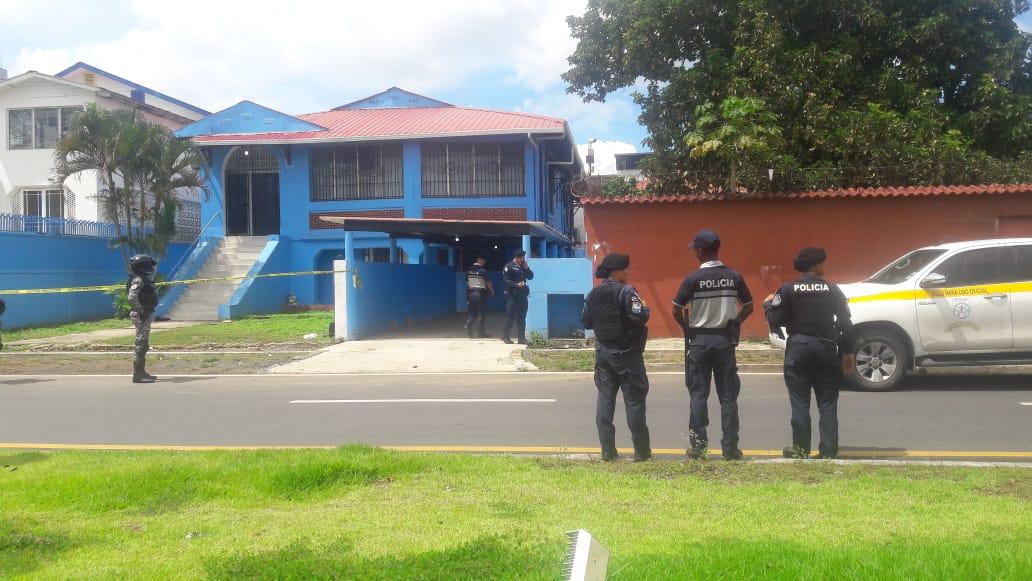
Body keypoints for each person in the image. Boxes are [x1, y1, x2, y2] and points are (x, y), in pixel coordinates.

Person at [764, 247, 855, 459]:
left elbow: (775, 319)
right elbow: (846, 324)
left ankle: (800, 449)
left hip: (799, 348)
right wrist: (848, 352)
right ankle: (829, 450)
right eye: (823, 263)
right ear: (816, 265)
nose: (824, 266)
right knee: (827, 403)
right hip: (826, 348)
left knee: (800, 402)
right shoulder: (832, 289)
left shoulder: (788, 289)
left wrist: (767, 304)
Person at [672, 229, 754, 460]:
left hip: (699, 342)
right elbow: (749, 306)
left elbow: (676, 309)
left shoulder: (693, 279)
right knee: (728, 397)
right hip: (724, 340)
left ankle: (698, 448)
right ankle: (730, 449)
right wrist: (735, 322)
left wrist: (687, 329)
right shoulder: (734, 277)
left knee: (698, 395)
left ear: (700, 251)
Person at [582, 253, 652, 462]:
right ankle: (641, 452)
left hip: (603, 354)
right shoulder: (626, 291)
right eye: (626, 269)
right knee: (634, 402)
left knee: (605, 400)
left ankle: (607, 451)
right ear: (616, 271)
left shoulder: (592, 294)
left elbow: (586, 322)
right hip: (627, 354)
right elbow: (640, 315)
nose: (629, 272)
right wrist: (645, 306)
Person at [127, 254, 159, 384]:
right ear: (142, 267)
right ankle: (138, 375)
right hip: (141, 315)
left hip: (144, 313)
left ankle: (142, 372)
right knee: (141, 344)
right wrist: (142, 310)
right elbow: (132, 297)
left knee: (143, 343)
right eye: (148, 266)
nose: (151, 268)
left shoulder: (143, 279)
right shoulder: (138, 280)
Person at [501, 249, 534, 345]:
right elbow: (505, 280)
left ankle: (522, 338)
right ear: (516, 258)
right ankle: (505, 336)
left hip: (522, 295)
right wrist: (516, 284)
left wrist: (527, 268)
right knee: (510, 316)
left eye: (523, 258)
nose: (523, 259)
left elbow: (531, 276)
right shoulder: (509, 266)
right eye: (521, 258)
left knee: (522, 317)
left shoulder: (523, 266)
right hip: (513, 295)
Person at [463, 256, 495, 338]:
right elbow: (488, 282)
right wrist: (492, 290)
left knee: (472, 313)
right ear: (479, 260)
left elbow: (467, 283)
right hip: (480, 294)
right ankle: (481, 333)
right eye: (483, 260)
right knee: (482, 314)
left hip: (471, 294)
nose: (484, 262)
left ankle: (468, 326)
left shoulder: (469, 270)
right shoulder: (483, 270)